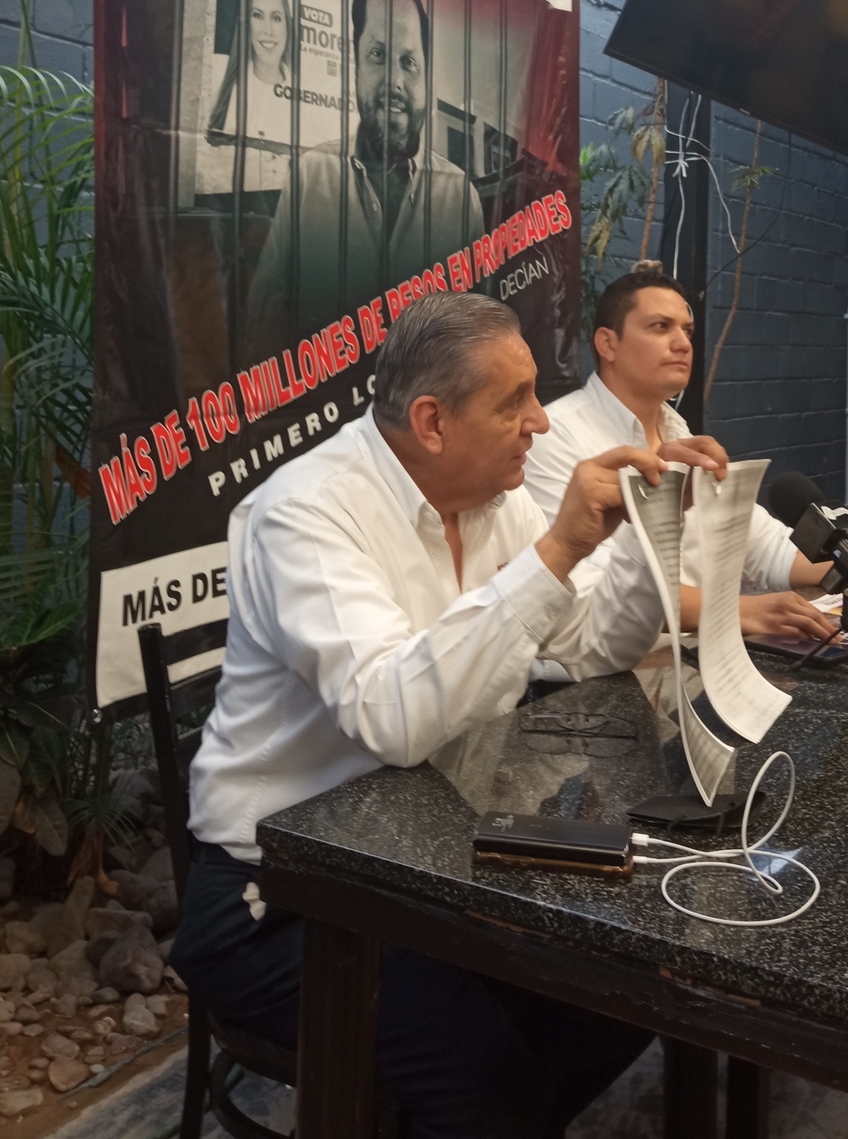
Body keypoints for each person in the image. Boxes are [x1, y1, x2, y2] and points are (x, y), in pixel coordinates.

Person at [172, 291, 726, 1137]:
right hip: (280, 892)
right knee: (485, 1074)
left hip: (428, 855)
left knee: (629, 989)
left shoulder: (493, 501)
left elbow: (591, 644)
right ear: (432, 421)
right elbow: (392, 718)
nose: (541, 421)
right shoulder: (308, 511)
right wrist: (558, 550)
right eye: (515, 401)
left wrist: (646, 537)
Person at [524, 269, 848, 641]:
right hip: (598, 684)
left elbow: (773, 550)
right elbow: (588, 592)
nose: (683, 343)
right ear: (607, 343)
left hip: (700, 661)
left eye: (687, 329)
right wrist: (738, 611)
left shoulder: (680, 433)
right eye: (660, 327)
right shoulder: (557, 436)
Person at [247, 0, 484, 343]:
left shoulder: (462, 202)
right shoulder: (310, 178)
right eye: (377, 55)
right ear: (355, 65)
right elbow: (262, 328)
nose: (394, 81)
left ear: (426, 79)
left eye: (409, 62)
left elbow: (479, 343)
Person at [207, 0, 295, 195]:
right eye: (257, 15)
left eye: (276, 17)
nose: (268, 30)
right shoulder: (217, 76)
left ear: (287, 24)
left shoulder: (306, 97)